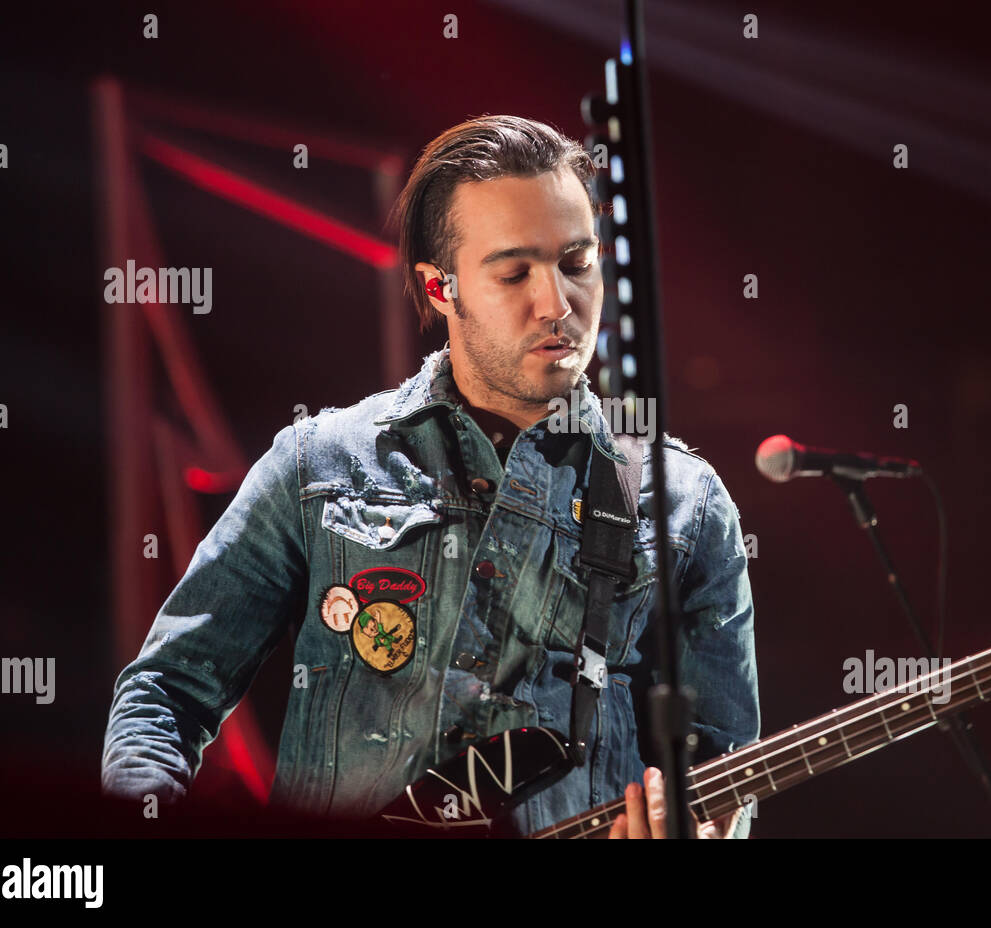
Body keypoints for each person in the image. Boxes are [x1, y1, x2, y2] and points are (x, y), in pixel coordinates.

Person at [101, 114, 759, 839]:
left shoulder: (686, 502)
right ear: (439, 288)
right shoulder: (318, 462)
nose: (558, 304)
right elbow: (166, 692)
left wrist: (708, 830)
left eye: (577, 263)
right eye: (514, 273)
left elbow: (727, 770)